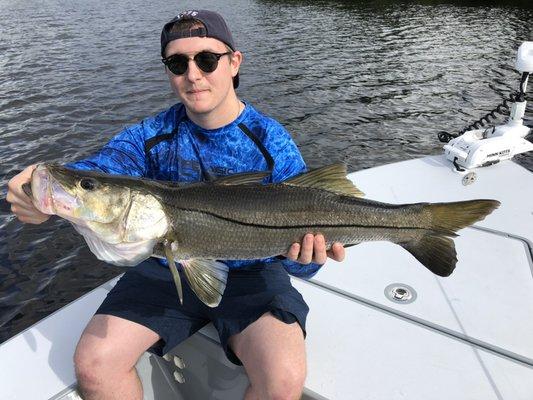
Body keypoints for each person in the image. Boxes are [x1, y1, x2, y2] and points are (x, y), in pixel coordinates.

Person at [6, 9, 345, 400]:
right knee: (96, 363)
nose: (193, 74)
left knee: (283, 377)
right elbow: (101, 171)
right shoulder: (150, 136)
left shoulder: (271, 141)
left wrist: (305, 259)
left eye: (206, 59)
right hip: (163, 268)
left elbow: (304, 253)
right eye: (177, 62)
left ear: (234, 62)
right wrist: (36, 189)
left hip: (254, 274)